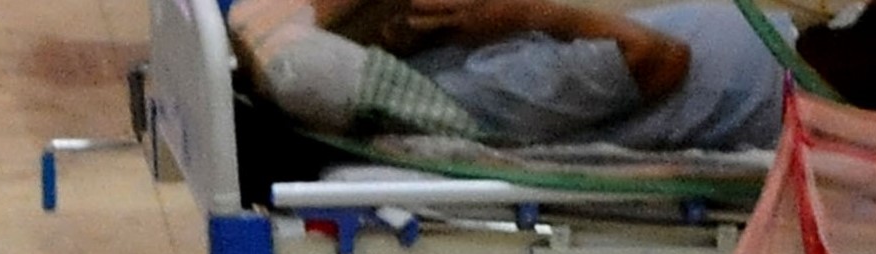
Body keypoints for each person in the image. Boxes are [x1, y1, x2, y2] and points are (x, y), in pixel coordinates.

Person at [260, 0, 788, 153]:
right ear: (405, 23)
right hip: (784, 87)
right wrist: (528, 13)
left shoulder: (461, 50)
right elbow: (662, 58)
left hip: (778, 49)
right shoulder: (484, 86)